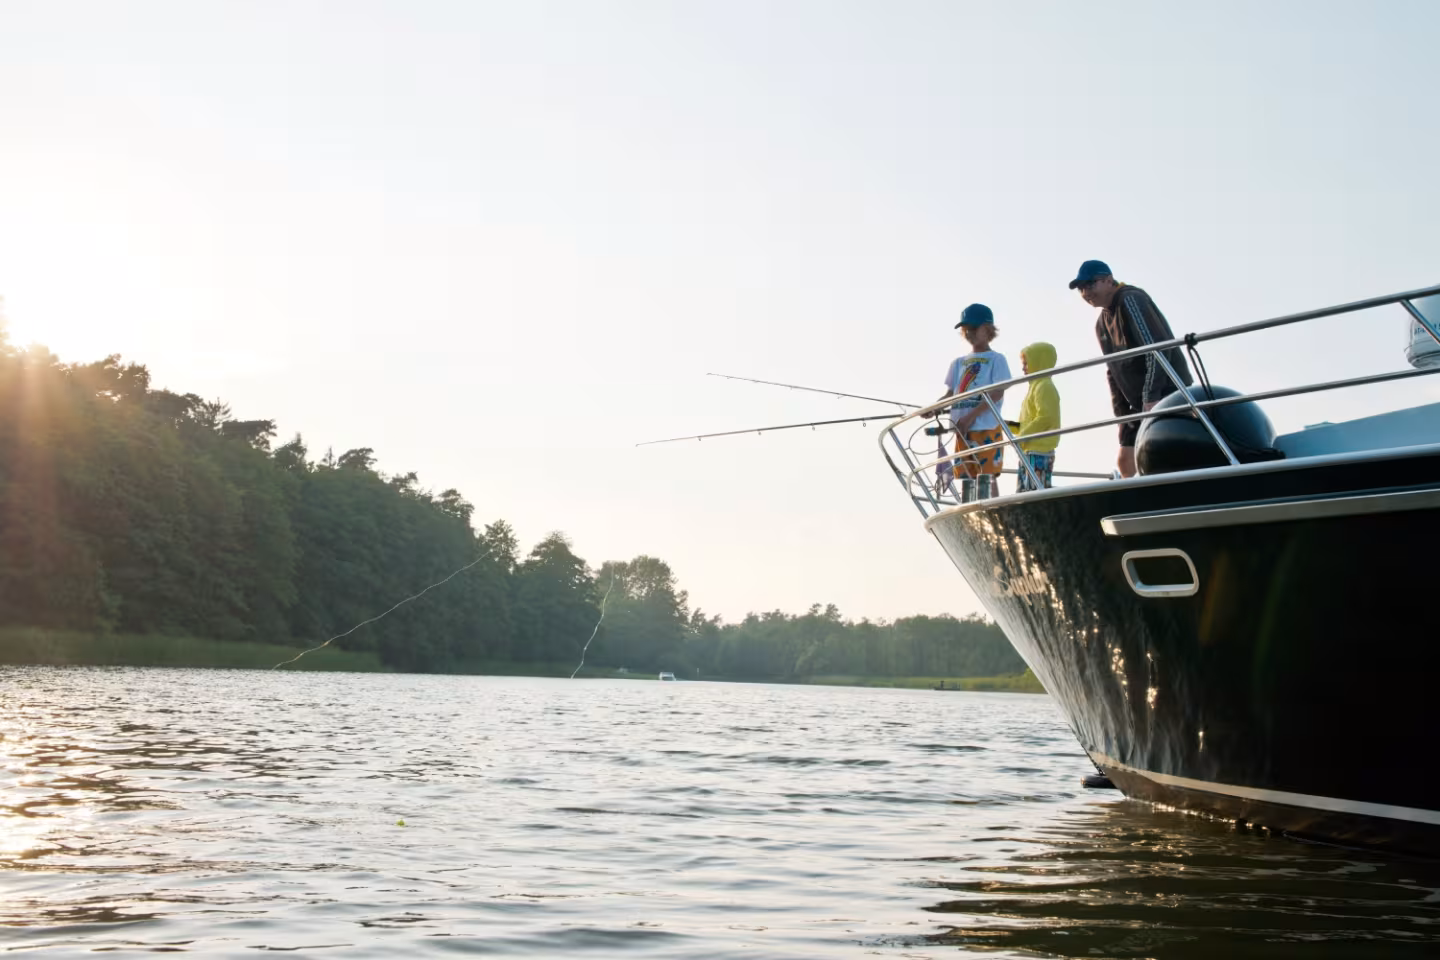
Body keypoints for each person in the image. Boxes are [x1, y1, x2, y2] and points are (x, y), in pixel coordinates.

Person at [1069, 260, 1192, 478]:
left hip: (1167, 394)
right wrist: (1122, 416)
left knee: (1164, 452)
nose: (1086, 292)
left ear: (1109, 281)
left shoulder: (1130, 299)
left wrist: (1151, 397)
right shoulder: (1101, 324)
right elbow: (1113, 371)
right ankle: (1140, 497)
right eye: (1081, 289)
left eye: (1090, 284)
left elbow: (1156, 348)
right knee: (1125, 460)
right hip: (1137, 405)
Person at [936, 303, 1011, 499]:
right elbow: (950, 394)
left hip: (986, 427)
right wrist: (935, 408)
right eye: (965, 329)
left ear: (988, 329)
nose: (969, 333)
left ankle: (993, 509)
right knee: (966, 477)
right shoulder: (958, 363)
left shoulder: (997, 359)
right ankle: (969, 511)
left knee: (987, 476)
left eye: (973, 328)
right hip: (962, 429)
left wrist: (971, 416)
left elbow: (998, 392)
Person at [1014, 342, 1060, 491]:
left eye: (1026, 363)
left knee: (1034, 492)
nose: (1023, 368)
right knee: (1024, 493)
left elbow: (1045, 417)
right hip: (1029, 450)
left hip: (1040, 452)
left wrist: (1022, 436)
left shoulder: (1044, 386)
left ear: (1038, 362)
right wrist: (1006, 426)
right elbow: (1027, 421)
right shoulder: (1034, 388)